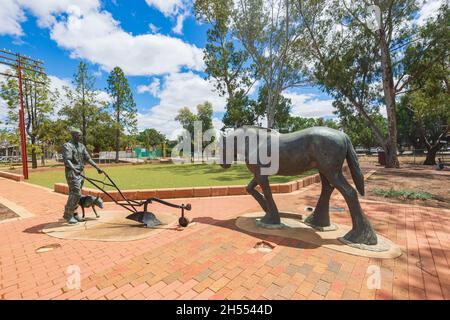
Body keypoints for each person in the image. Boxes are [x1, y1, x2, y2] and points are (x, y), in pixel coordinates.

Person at [62, 127, 103, 224]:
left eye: (80, 135)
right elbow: (67, 160)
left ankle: (75, 214)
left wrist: (97, 167)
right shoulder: (67, 146)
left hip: (81, 172)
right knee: (76, 193)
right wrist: (74, 169)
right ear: (73, 135)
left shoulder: (81, 146)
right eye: (78, 135)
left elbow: (88, 158)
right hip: (72, 172)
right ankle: (68, 214)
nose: (80, 137)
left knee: (77, 194)